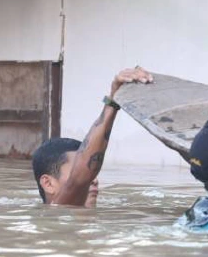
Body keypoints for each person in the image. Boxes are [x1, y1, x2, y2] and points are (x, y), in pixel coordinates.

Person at [32, 67, 154, 207]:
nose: (94, 179)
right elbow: (78, 182)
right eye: (77, 169)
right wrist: (113, 101)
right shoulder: (55, 216)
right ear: (48, 184)